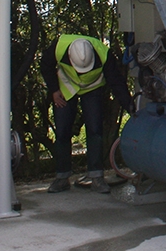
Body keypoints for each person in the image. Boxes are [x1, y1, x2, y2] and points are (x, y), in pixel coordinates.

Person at [40, 34, 135, 194]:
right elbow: (45, 66)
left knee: (95, 129)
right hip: (66, 87)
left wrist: (130, 107)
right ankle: (62, 177)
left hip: (92, 88)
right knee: (62, 130)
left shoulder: (103, 53)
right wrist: (54, 91)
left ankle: (96, 177)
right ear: (69, 56)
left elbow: (116, 82)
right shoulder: (59, 46)